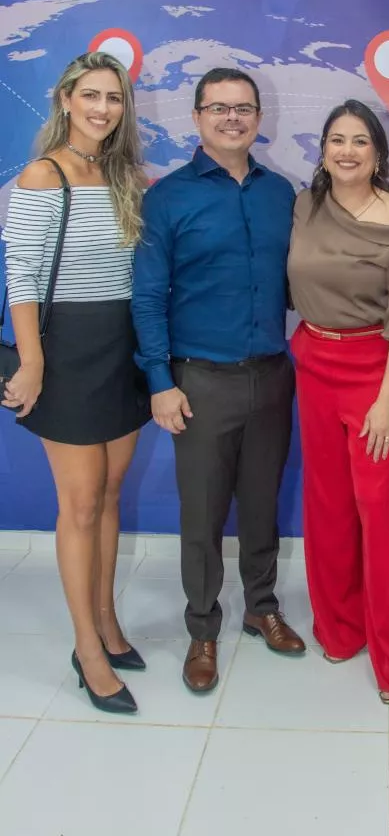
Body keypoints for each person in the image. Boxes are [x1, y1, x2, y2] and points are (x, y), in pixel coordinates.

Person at [131, 68, 305, 695]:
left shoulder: (281, 193)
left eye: (244, 108)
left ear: (259, 116)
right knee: (202, 514)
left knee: (262, 504)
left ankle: (262, 607)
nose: (233, 118)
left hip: (272, 375)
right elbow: (147, 297)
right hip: (198, 381)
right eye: (219, 108)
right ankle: (203, 626)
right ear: (198, 117)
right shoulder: (168, 198)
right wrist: (160, 380)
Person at [2, 51, 150, 715]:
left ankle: (108, 622)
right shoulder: (43, 174)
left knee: (111, 493)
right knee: (82, 503)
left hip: (122, 346)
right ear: (66, 99)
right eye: (90, 95)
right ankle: (87, 649)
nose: (102, 108)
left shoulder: (123, 175)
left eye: (113, 98)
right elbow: (22, 275)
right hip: (65, 352)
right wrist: (32, 362)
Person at [288, 99, 389, 704]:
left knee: (380, 512)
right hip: (313, 366)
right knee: (327, 508)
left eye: (359, 141)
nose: (346, 151)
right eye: (336, 140)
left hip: (378, 371)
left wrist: (387, 399)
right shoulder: (305, 206)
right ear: (323, 150)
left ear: (378, 154)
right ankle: (339, 630)